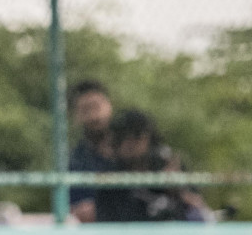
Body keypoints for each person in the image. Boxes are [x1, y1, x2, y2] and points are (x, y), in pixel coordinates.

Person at [95, 109, 210, 223]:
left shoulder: (167, 164)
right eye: (122, 137)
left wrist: (177, 190)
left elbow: (198, 209)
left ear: (149, 137)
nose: (130, 142)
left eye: (137, 134)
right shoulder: (110, 179)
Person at [67, 79, 114, 223]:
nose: (94, 116)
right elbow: (70, 208)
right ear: (76, 116)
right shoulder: (75, 161)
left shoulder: (133, 149)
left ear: (110, 106)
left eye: (97, 107)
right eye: (86, 109)